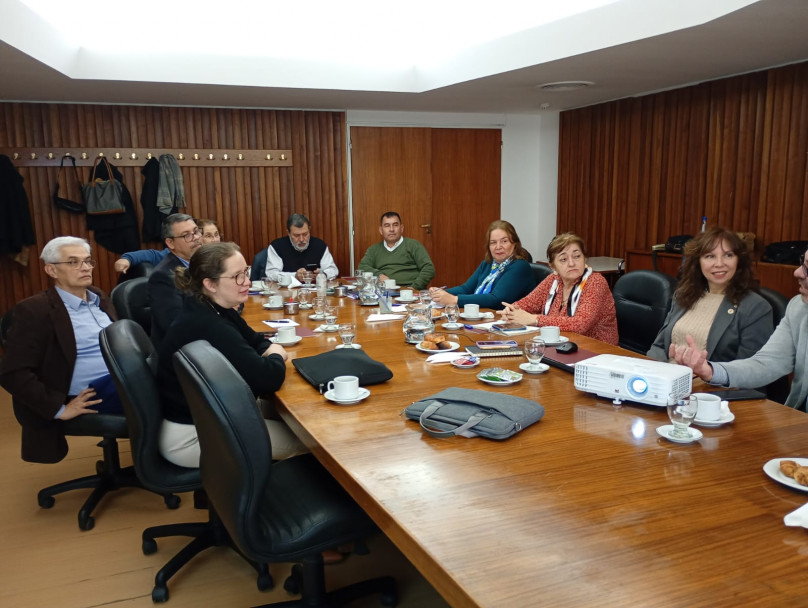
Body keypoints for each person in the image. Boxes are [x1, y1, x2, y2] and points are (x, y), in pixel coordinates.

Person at [155, 241, 306, 467]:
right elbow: (268, 378)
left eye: (245, 272)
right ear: (210, 283)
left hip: (217, 413)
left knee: (302, 416)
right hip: (192, 435)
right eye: (237, 276)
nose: (247, 281)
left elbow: (255, 341)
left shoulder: (213, 307)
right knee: (310, 444)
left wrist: (268, 351)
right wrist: (275, 354)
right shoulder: (207, 324)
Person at [0, 237, 123, 464]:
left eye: (87, 261)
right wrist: (58, 407)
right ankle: (163, 467)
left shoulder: (99, 297)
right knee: (174, 389)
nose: (85, 267)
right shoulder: (35, 310)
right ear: (51, 270)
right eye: (74, 262)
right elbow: (12, 372)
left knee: (177, 376)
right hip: (92, 393)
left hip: (122, 378)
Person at [672, 247, 808, 411]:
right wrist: (710, 371)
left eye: (807, 269)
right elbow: (766, 364)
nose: (798, 273)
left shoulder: (755, 305)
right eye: (803, 263)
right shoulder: (799, 309)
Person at [648, 227, 772, 363]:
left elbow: (750, 372)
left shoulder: (755, 307)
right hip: (668, 379)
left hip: (709, 383)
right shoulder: (684, 294)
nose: (719, 264)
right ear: (698, 262)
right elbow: (659, 347)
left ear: (739, 261)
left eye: (728, 255)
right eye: (710, 256)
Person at [498, 232, 618, 344]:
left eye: (577, 256)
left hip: (596, 351)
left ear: (584, 258)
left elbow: (580, 324)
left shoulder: (595, 282)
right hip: (560, 346)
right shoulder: (553, 280)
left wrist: (535, 319)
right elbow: (527, 303)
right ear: (553, 266)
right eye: (563, 259)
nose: (571, 263)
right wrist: (511, 311)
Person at [430, 220, 536, 308]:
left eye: (504, 241)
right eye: (493, 242)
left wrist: (454, 300)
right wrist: (440, 294)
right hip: (485, 319)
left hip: (509, 324)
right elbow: (466, 289)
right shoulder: (488, 263)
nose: (498, 247)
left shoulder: (520, 266)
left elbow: (496, 299)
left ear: (514, 244)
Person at [147, 213, 202, 347]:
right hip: (183, 353)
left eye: (196, 231)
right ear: (170, 243)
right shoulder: (163, 277)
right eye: (187, 235)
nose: (196, 238)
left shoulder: (204, 263)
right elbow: (176, 327)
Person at [357, 211, 435, 290]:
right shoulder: (373, 250)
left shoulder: (414, 245)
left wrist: (414, 287)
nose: (391, 229)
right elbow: (362, 267)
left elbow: (429, 268)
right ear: (381, 230)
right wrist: (379, 275)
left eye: (395, 225)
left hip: (410, 290)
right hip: (384, 291)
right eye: (387, 226)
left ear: (401, 228)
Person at [113, 218, 222, 274]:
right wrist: (127, 259)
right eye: (208, 236)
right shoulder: (179, 255)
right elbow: (151, 255)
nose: (214, 240)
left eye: (216, 235)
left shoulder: (223, 255)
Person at [264, 213, 338, 284]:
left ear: (309, 230)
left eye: (305, 234)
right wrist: (294, 276)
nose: (302, 239)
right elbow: (271, 274)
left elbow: (333, 270)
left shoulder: (320, 245)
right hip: (286, 292)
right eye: (296, 235)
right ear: (288, 233)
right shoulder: (277, 246)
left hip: (315, 292)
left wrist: (322, 274)